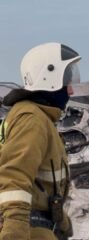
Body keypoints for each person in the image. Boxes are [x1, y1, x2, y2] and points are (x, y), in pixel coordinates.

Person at [0, 42, 81, 239]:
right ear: (49, 78)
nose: (70, 92)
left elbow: (42, 187)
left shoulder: (39, 117)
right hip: (29, 229)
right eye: (66, 83)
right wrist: (14, 231)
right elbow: (14, 176)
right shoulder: (32, 119)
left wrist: (61, 220)